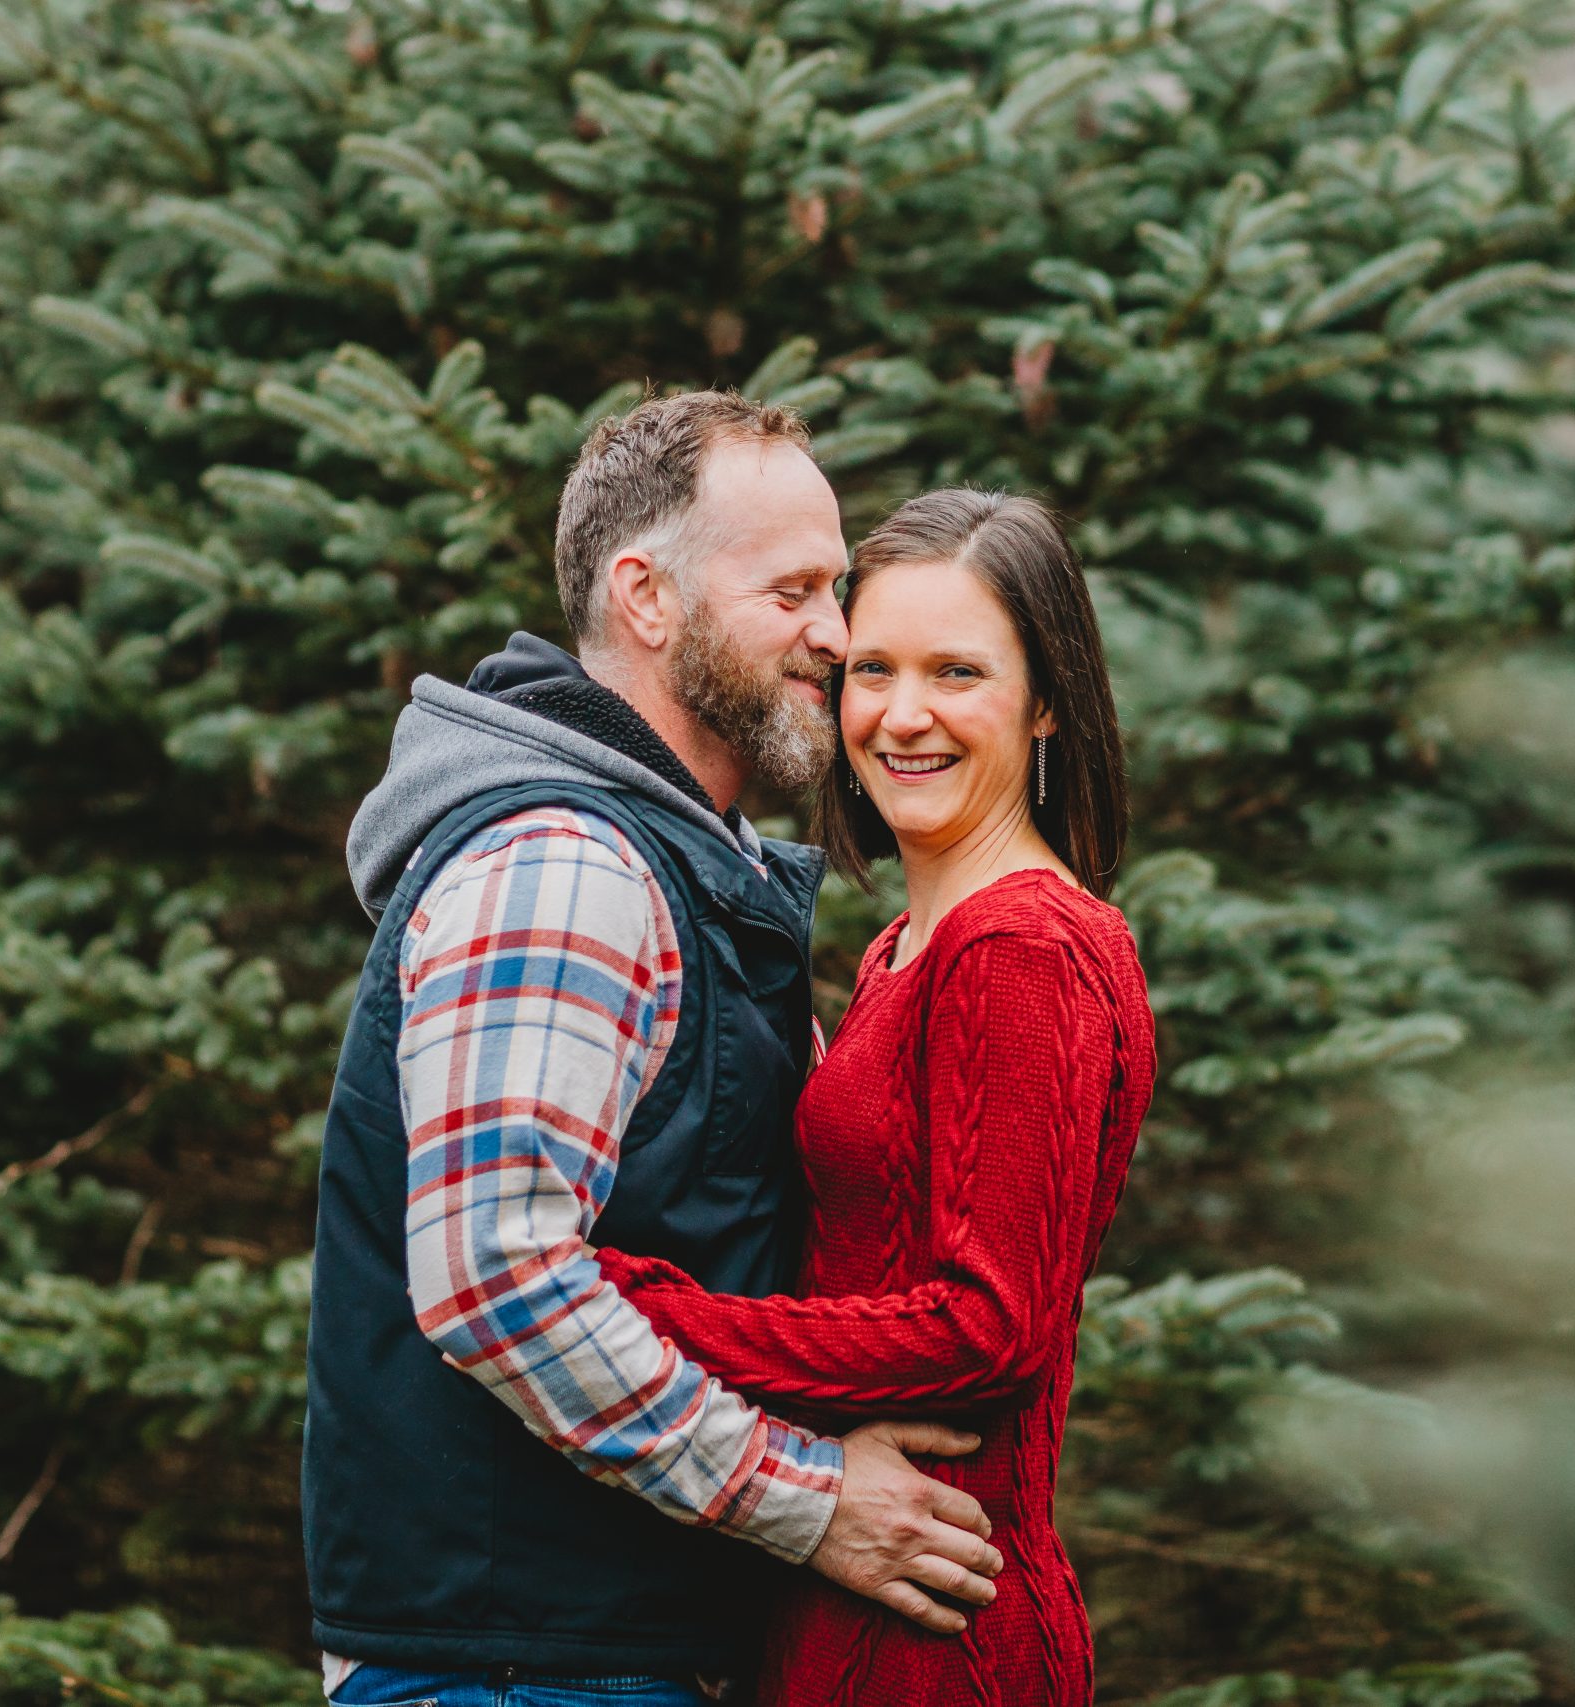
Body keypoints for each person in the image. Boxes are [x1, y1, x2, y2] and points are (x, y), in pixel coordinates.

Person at [301, 392, 1005, 1707]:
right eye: (793, 588)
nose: (838, 634)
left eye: (837, 586)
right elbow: (494, 1272)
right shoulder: (564, 862)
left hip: (596, 1654)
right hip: (521, 1670)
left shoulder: (680, 860)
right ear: (647, 597)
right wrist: (809, 1503)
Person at [594, 489, 1156, 1706]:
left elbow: (985, 1326)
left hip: (936, 1629)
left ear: (1047, 697)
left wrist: (655, 1317)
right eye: (874, 669)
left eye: (958, 672)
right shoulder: (913, 939)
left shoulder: (1024, 947)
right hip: (855, 1601)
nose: (904, 716)